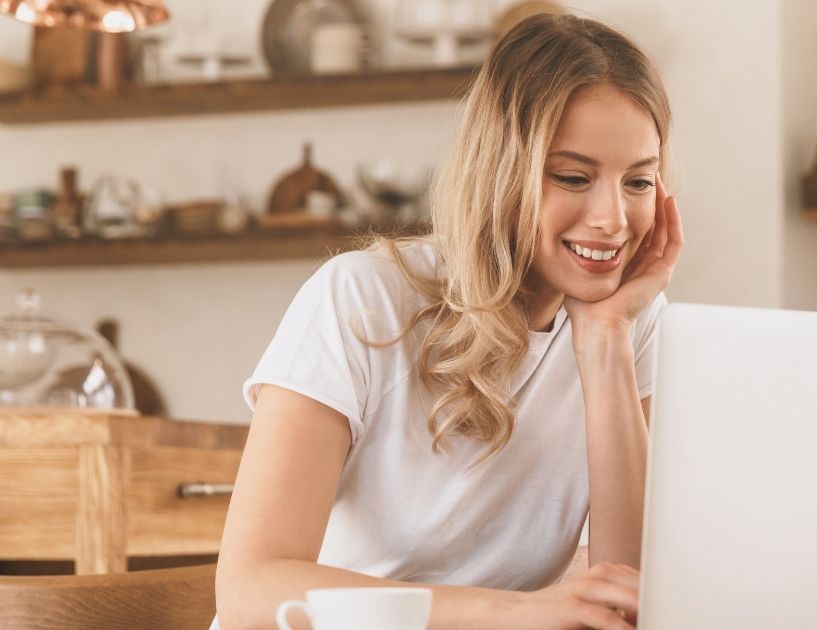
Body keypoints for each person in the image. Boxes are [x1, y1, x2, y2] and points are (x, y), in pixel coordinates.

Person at [214, 12, 683, 630]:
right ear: (501, 172)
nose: (614, 219)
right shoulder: (361, 297)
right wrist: (523, 613)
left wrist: (603, 341)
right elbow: (251, 589)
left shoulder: (627, 322)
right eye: (573, 176)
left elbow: (629, 600)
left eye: (638, 182)